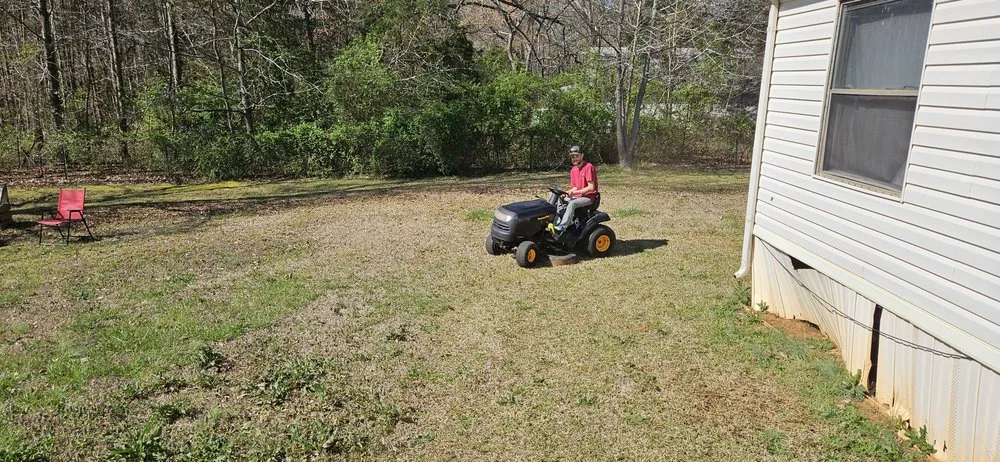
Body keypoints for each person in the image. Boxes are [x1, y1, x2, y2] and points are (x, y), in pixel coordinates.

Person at [549, 145, 598, 234]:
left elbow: (591, 188)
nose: (574, 159)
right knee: (559, 198)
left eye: (577, 156)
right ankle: (562, 219)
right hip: (578, 196)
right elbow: (575, 187)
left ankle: (562, 227)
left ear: (582, 155)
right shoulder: (573, 170)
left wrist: (575, 192)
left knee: (572, 204)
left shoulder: (588, 167)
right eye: (572, 157)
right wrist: (568, 192)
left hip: (589, 197)